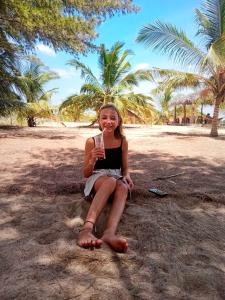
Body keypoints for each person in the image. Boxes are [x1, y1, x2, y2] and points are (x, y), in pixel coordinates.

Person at [77, 103, 134, 252]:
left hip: (115, 176)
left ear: (119, 121)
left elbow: (125, 167)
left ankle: (109, 233)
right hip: (97, 178)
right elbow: (86, 174)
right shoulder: (92, 141)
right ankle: (86, 229)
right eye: (104, 117)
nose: (108, 121)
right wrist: (92, 160)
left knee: (122, 186)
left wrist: (127, 175)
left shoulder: (122, 140)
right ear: (98, 121)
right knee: (110, 180)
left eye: (113, 118)